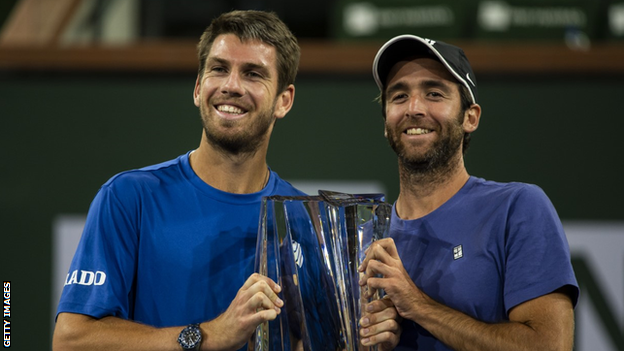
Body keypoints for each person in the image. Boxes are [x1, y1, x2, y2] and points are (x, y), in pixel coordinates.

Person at [357, 34, 579, 351]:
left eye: (434, 93)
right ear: (386, 122)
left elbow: (549, 346)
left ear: (470, 117)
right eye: (399, 96)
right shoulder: (367, 240)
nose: (414, 108)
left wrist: (418, 306)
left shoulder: (518, 208)